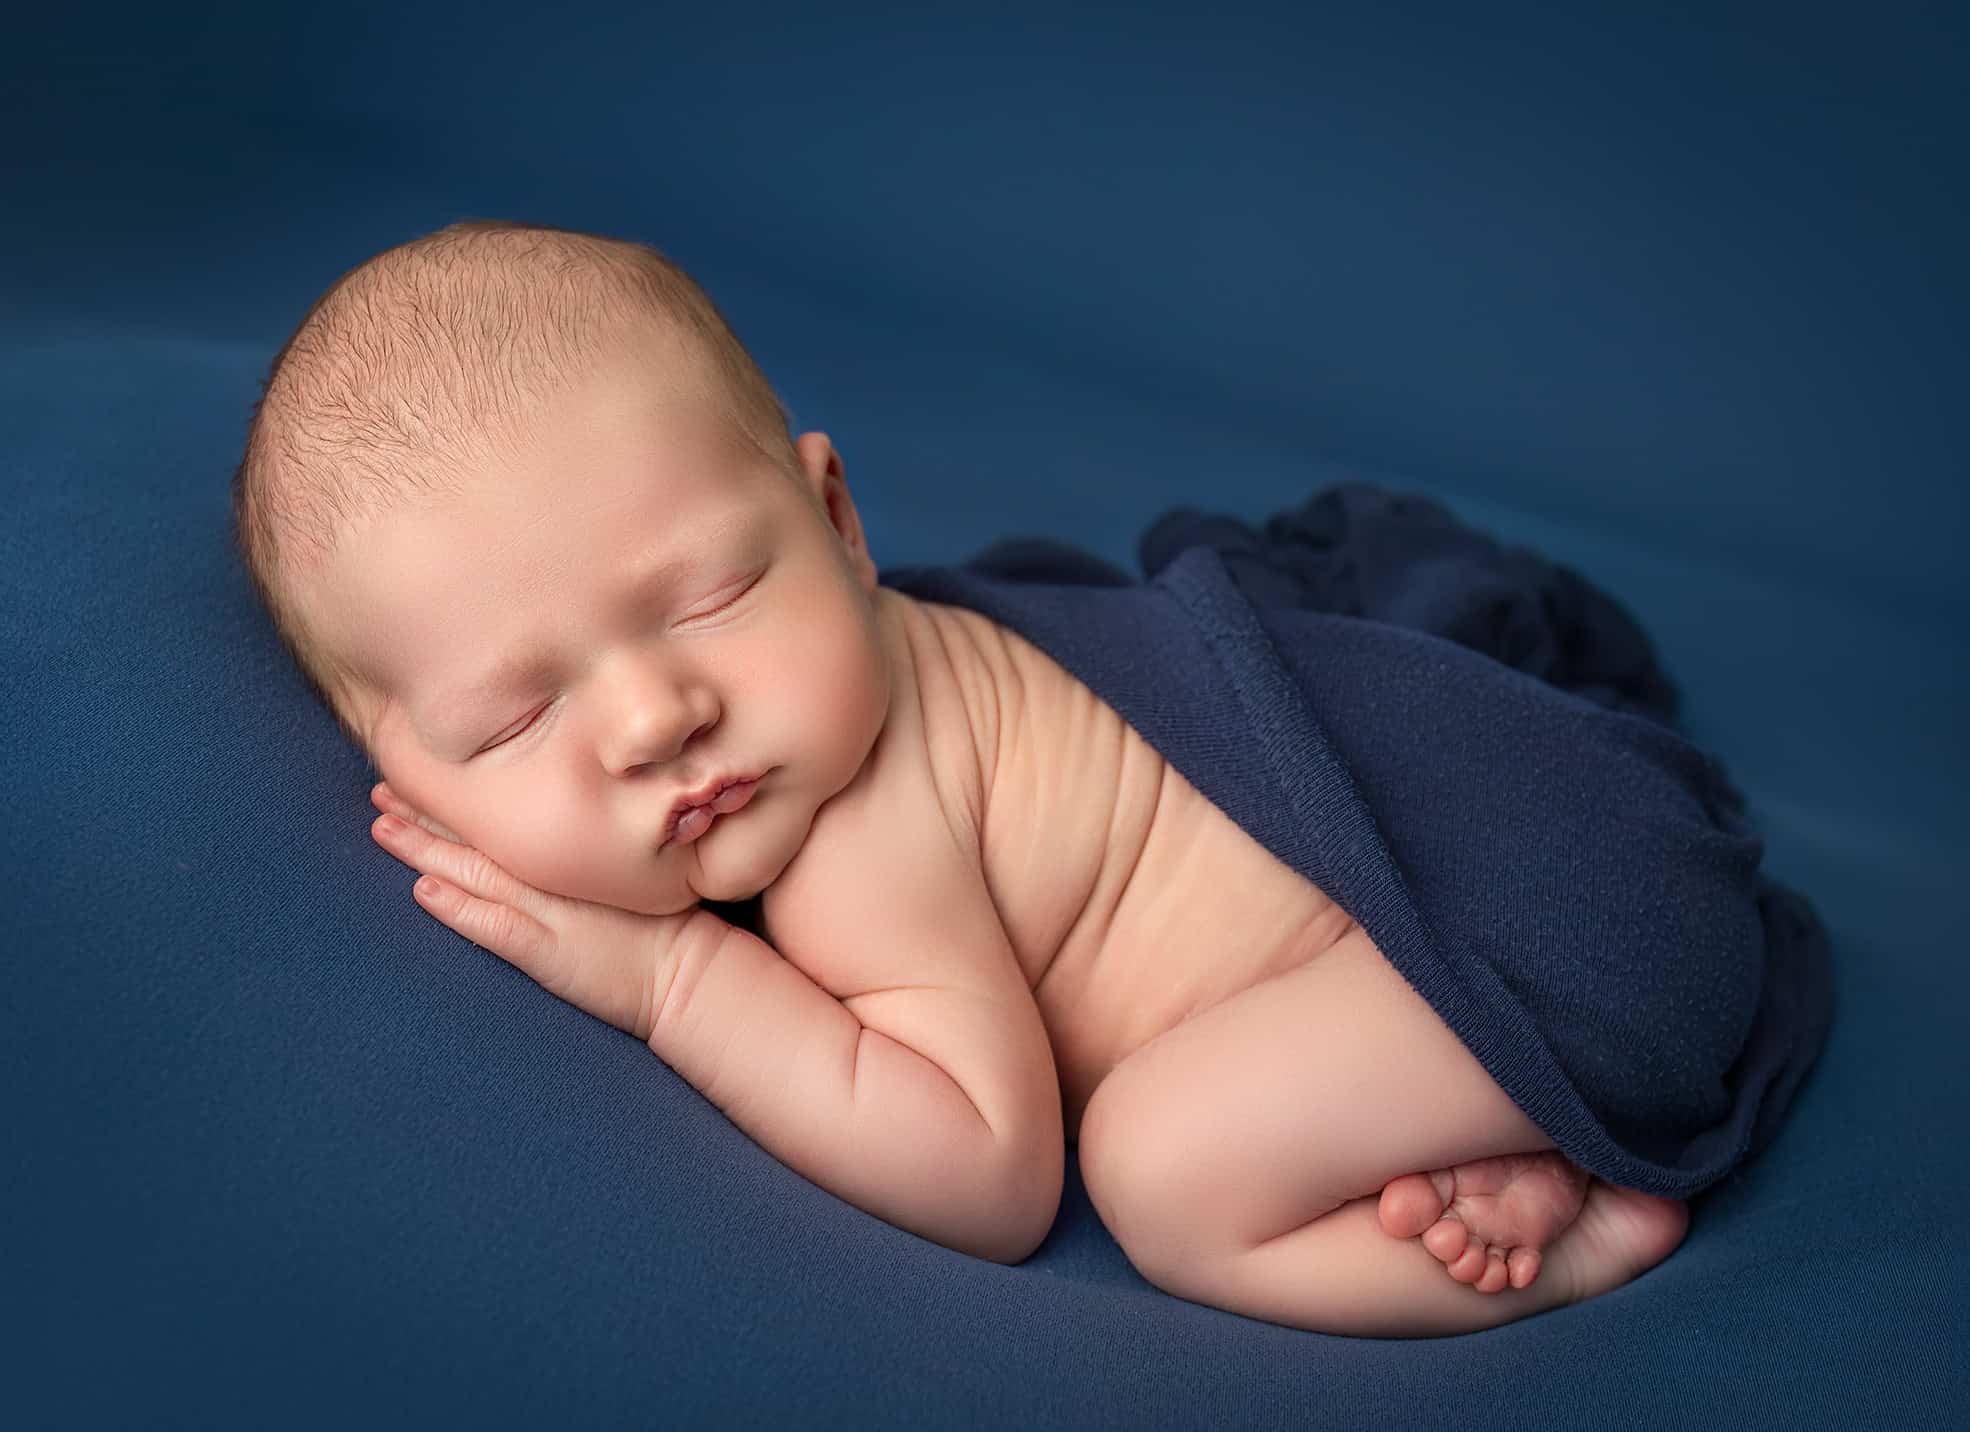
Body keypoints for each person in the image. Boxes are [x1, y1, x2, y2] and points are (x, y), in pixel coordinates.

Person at [231, 219, 1689, 1338]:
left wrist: (675, 982)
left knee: (1165, 1169)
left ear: (837, 520)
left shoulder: (856, 826)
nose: (657, 716)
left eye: (713, 596)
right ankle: (1482, 1115)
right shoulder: (811, 716)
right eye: (514, 716)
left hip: (1508, 929)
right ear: (397, 770)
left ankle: (1574, 1228)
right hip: (1439, 953)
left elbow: (992, 1179)